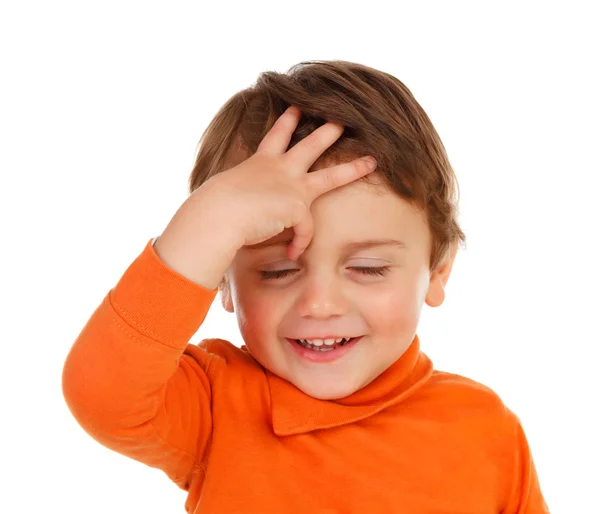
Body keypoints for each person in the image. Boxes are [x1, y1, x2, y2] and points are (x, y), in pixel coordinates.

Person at [62, 60, 549, 513]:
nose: (319, 304)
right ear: (224, 283)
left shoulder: (485, 430)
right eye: (277, 272)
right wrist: (211, 222)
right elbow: (102, 395)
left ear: (438, 270)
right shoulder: (214, 404)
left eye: (368, 268)